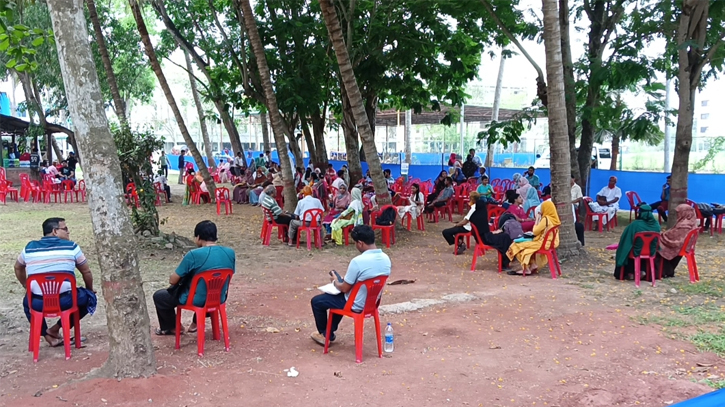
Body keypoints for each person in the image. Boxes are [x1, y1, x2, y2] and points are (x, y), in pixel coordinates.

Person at [14, 218, 97, 347]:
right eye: (65, 229)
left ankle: (48, 336)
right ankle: (56, 328)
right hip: (66, 301)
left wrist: (26, 285)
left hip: (37, 302)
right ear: (55, 231)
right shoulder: (72, 247)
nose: (68, 232)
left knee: (27, 303)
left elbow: (18, 267)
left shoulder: (29, 248)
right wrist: (90, 290)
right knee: (89, 298)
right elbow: (86, 272)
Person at [309, 225, 391, 345]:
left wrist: (334, 281)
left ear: (360, 243)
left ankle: (324, 334)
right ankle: (328, 332)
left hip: (355, 304)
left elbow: (344, 288)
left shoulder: (358, 261)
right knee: (335, 300)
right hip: (371, 303)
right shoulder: (386, 259)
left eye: (355, 243)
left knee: (317, 301)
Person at [153, 221, 235, 335]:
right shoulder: (230, 253)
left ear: (198, 237)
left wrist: (183, 261)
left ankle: (173, 327)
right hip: (219, 297)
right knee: (209, 287)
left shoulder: (193, 254)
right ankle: (196, 323)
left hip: (195, 299)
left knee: (159, 296)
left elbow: (173, 280)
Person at [506, 200, 560, 276]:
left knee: (516, 245)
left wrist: (537, 219)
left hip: (542, 243)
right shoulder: (554, 219)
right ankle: (532, 265)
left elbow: (535, 231)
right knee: (527, 249)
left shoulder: (546, 219)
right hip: (549, 243)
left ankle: (527, 267)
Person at [613, 204, 660, 281]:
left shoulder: (635, 224)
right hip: (651, 252)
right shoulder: (656, 225)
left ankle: (630, 273)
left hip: (635, 252)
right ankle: (643, 270)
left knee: (626, 249)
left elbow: (626, 239)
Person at [469, 196, 515, 272]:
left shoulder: (474, 215)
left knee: (503, 236)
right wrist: (494, 232)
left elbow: (482, 230)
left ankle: (505, 261)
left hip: (481, 238)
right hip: (486, 239)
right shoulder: (482, 216)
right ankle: (504, 262)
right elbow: (485, 231)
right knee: (506, 237)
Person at [657, 204, 698, 278]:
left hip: (678, 246)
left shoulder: (684, 226)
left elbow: (672, 237)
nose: (677, 215)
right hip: (685, 246)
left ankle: (666, 271)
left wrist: (661, 235)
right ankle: (667, 270)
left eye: (679, 213)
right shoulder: (692, 222)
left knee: (657, 248)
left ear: (684, 213)